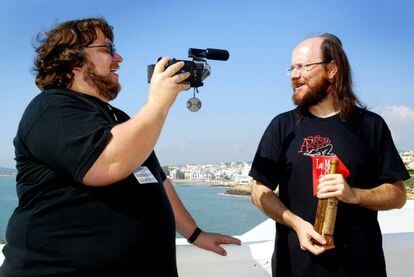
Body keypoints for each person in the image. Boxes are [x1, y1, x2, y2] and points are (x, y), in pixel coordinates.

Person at [0, 18, 240, 276]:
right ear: (74, 60)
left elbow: (158, 181)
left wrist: (195, 234)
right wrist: (159, 102)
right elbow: (108, 164)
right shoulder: (51, 109)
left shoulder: (118, 119)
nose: (119, 58)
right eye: (108, 49)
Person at [249, 33, 409, 277]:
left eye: (303, 66)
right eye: (291, 68)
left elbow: (398, 195)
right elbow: (258, 190)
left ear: (332, 69)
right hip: (295, 269)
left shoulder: (370, 126)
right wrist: (295, 223)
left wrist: (353, 194)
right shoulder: (282, 126)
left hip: (361, 268)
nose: (294, 75)